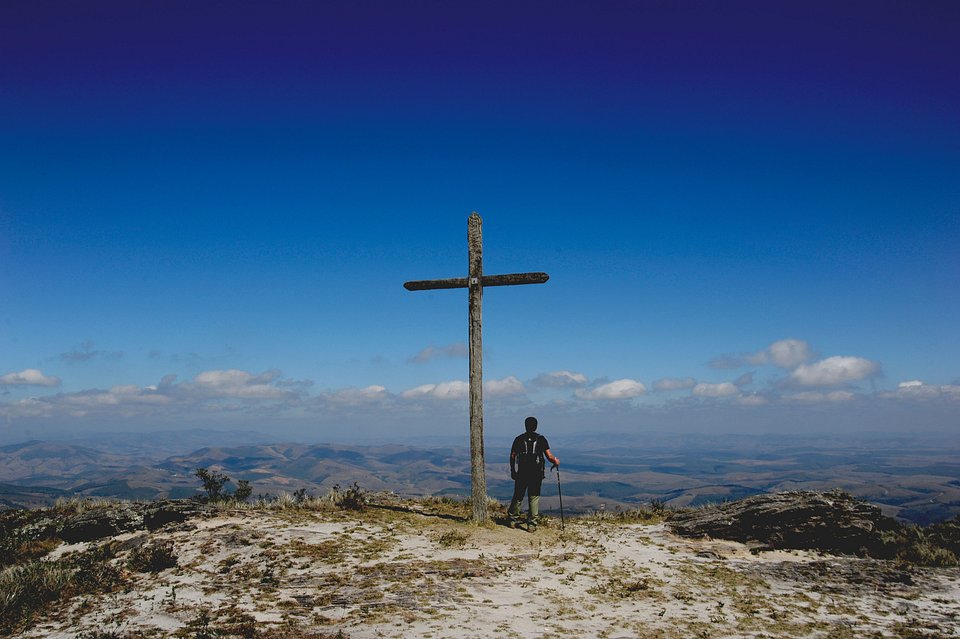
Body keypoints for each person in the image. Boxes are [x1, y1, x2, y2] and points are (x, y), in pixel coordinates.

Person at [508, 416, 559, 531]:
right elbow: (549, 456)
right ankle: (532, 524)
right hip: (536, 473)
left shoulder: (518, 439)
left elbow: (512, 456)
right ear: (536, 426)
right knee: (534, 497)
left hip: (522, 472)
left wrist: (513, 470)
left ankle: (513, 520)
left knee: (518, 495)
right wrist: (555, 461)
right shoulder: (541, 439)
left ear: (525, 426)